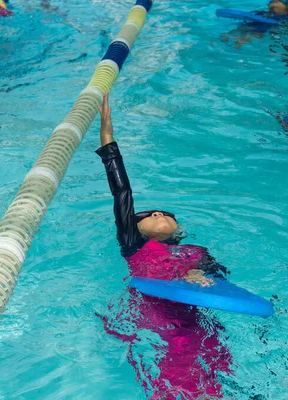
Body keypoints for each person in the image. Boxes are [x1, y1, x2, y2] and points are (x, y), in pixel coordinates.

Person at [96, 94, 232, 399]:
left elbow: (221, 279)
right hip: (154, 315)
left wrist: (196, 273)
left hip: (195, 317)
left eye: (165, 214)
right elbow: (121, 193)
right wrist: (108, 139)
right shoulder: (134, 245)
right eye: (146, 215)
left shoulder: (196, 252)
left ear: (178, 229)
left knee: (219, 364)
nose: (157, 213)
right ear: (134, 227)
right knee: (177, 374)